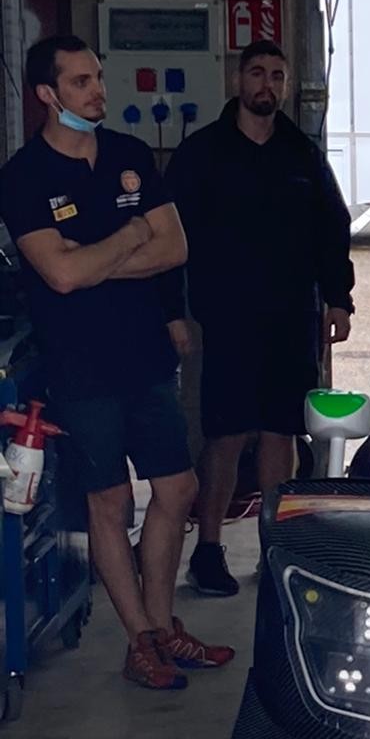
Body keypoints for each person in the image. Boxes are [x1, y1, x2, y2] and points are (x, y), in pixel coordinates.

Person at [0, 35, 233, 690]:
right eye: (79, 82)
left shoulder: (130, 154)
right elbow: (61, 276)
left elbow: (175, 247)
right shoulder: (23, 178)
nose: (98, 91)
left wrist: (100, 250)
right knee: (109, 502)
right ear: (46, 95)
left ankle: (163, 626)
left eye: (97, 78)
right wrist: (132, 235)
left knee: (178, 489)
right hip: (81, 366)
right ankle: (139, 641)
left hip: (145, 355)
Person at [162, 39, 355, 599]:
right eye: (256, 73)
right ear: (237, 81)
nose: (266, 84)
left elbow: (332, 231)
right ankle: (209, 549)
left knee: (281, 431)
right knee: (224, 435)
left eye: (277, 74)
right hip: (222, 320)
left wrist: (337, 299)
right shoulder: (202, 155)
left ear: (286, 85)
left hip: (291, 317)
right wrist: (174, 313)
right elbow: (169, 241)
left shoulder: (303, 154)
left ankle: (276, 549)